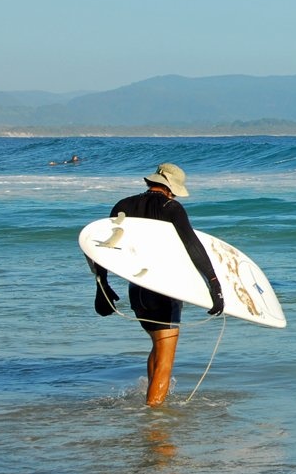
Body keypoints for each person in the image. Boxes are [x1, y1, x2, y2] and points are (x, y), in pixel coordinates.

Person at [92, 163, 224, 406]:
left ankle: (150, 405)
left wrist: (102, 286)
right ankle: (154, 423)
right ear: (171, 189)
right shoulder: (171, 207)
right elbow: (193, 246)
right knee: (166, 360)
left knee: (157, 346)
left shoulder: (123, 205)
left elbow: (103, 246)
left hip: (137, 290)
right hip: (164, 291)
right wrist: (214, 284)